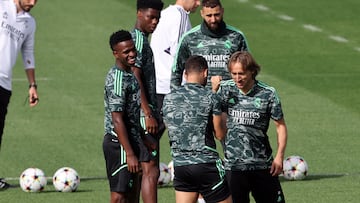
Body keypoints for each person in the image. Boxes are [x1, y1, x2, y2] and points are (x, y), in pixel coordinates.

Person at [212, 51, 287, 203]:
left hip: (262, 165)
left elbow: (280, 126)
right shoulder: (224, 89)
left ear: (252, 71)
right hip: (234, 167)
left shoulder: (268, 93)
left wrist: (279, 156)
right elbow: (211, 118)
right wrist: (213, 92)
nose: (237, 78)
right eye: (234, 74)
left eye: (241, 73)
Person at [162, 55, 232, 203]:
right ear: (205, 73)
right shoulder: (211, 97)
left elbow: (172, 126)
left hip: (180, 166)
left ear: (185, 74)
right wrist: (217, 95)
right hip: (206, 165)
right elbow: (220, 134)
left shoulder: (168, 98)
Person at [103, 30, 146, 203]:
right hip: (119, 144)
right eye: (126, 52)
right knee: (119, 196)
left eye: (133, 49)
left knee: (132, 195)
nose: (132, 54)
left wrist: (142, 139)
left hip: (131, 141)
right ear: (115, 53)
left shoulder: (130, 75)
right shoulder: (117, 79)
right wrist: (129, 154)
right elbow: (117, 119)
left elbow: (131, 115)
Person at [0, 0, 39, 190]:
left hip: (4, 83)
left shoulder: (29, 22)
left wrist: (32, 85)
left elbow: (28, 53)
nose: (32, 2)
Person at [170, 0, 250, 91]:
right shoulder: (190, 38)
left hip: (230, 99)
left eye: (217, 15)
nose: (213, 20)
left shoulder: (237, 37)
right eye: (209, 15)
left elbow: (248, 68)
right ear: (202, 14)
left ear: (222, 11)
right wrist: (176, 97)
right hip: (200, 100)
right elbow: (176, 70)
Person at [130, 0, 164, 202]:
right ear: (138, 14)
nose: (154, 22)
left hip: (136, 115)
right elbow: (136, 76)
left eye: (157, 18)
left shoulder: (134, 38)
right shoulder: (139, 41)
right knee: (151, 170)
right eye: (150, 17)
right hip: (144, 115)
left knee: (140, 171)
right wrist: (148, 113)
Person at [150, 0, 201, 117]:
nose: (198, 3)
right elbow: (178, 53)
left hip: (157, 84)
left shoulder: (164, 14)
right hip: (171, 87)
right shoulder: (181, 15)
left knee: (151, 132)